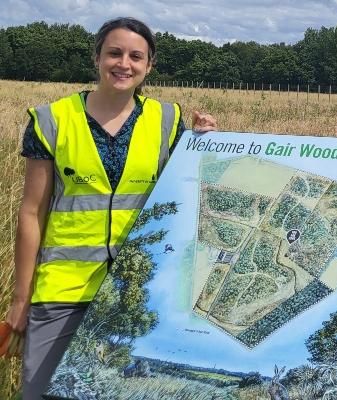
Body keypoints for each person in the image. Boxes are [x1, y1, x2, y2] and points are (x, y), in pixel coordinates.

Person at [2, 17, 217, 398]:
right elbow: (31, 212)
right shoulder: (51, 120)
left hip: (137, 289)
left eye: (137, 56)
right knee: (39, 391)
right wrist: (21, 298)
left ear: (149, 66)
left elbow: (190, 194)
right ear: (97, 57)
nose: (124, 64)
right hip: (64, 290)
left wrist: (206, 143)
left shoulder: (169, 122)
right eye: (114, 53)